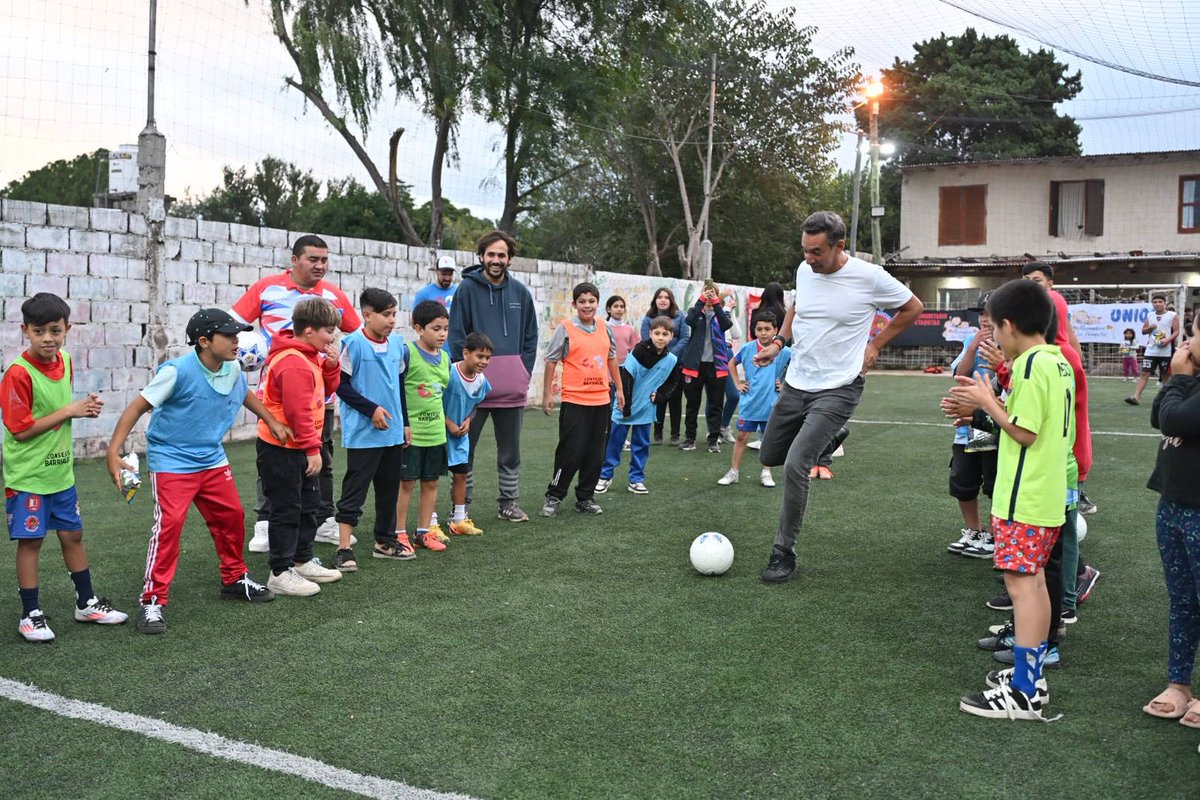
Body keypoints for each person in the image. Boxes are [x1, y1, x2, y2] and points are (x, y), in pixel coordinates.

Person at [753, 211, 922, 583]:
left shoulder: (869, 277)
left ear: (839, 246)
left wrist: (875, 345)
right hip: (798, 381)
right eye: (805, 251)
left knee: (797, 464)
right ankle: (831, 435)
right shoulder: (804, 271)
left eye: (816, 252)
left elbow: (913, 308)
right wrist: (779, 342)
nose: (809, 259)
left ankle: (784, 554)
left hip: (840, 385)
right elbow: (797, 308)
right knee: (769, 455)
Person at [106, 309, 288, 633]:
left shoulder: (231, 367)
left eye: (238, 335)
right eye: (229, 336)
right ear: (204, 341)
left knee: (231, 516)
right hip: (172, 459)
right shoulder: (176, 371)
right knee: (170, 526)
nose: (237, 341)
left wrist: (270, 419)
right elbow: (137, 407)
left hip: (211, 458)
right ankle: (152, 601)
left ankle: (234, 578)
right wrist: (112, 451)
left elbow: (243, 393)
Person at [949, 279, 1073, 721]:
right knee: (1034, 585)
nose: (994, 338)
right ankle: (1030, 681)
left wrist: (985, 399)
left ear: (1009, 324)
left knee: (1023, 588)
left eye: (994, 328)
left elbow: (1023, 431)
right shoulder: (1055, 361)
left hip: (1024, 497)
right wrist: (985, 406)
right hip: (1045, 494)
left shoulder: (1031, 365)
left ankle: (1024, 693)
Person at [2, 293, 127, 642]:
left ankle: (86, 602)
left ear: (67, 329)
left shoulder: (66, 361)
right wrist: (70, 411)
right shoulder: (17, 374)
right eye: (38, 331)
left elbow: (60, 411)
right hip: (28, 478)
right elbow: (21, 429)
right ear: (24, 330)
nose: (47, 338)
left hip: (61, 474)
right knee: (31, 542)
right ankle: (30, 614)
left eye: (55, 330)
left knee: (73, 535)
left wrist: (84, 407)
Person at [232, 234, 362, 552]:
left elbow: (357, 333)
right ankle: (265, 522)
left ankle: (321, 519)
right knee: (275, 458)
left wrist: (337, 362)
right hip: (276, 394)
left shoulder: (333, 295)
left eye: (324, 260)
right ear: (294, 260)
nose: (320, 266)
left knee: (323, 457)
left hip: (321, 395)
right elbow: (232, 325)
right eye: (313, 259)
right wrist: (251, 349)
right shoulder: (266, 288)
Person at [256, 298, 345, 596]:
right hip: (283, 449)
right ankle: (280, 572)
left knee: (309, 504)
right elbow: (298, 411)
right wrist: (311, 448)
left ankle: (302, 559)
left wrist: (332, 367)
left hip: (300, 445)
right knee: (286, 508)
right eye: (328, 330)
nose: (332, 337)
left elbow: (325, 392)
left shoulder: (310, 355)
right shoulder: (293, 361)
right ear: (309, 330)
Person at [447, 230, 538, 523]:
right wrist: (463, 377)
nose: (496, 260)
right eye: (491, 254)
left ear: (509, 258)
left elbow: (530, 337)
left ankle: (508, 503)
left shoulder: (521, 293)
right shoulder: (466, 290)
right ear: (482, 257)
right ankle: (462, 507)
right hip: (472, 389)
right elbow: (456, 335)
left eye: (502, 255)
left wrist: (522, 371)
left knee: (510, 451)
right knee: (464, 448)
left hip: (511, 389)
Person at [1142, 314, 1200, 724]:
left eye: (1195, 334)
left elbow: (1175, 419)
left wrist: (1177, 379)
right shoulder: (1191, 381)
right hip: (1174, 506)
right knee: (1183, 602)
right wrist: (1177, 380)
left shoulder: (1188, 383)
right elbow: (1158, 417)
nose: (1189, 340)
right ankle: (1179, 684)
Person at [331, 288, 410, 572]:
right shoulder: (352, 344)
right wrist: (371, 409)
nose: (392, 320)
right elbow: (340, 385)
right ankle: (343, 548)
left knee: (389, 488)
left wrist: (405, 423)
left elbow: (398, 385)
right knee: (356, 487)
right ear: (367, 315)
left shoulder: (399, 344)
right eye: (386, 314)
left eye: (394, 314)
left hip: (392, 430)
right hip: (364, 433)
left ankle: (385, 542)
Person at [540, 282, 624, 517]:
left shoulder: (605, 328)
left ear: (598, 303)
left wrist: (619, 390)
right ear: (575, 304)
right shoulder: (565, 328)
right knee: (570, 452)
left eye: (591, 301)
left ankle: (585, 497)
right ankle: (554, 496)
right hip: (575, 401)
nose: (587, 305)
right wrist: (547, 394)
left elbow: (612, 358)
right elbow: (550, 360)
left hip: (601, 401)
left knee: (596, 454)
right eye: (582, 301)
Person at [1021, 263, 1095, 515]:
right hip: (1066, 363)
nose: (1031, 284)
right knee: (1073, 424)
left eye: (1037, 280)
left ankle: (1070, 489)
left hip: (1050, 363)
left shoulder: (1046, 300)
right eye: (1027, 280)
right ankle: (1077, 488)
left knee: (1053, 427)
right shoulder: (1056, 303)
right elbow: (1069, 332)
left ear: (1050, 283)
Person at [391, 300, 452, 555]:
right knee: (406, 484)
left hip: (436, 434)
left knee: (431, 483)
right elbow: (397, 392)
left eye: (445, 329)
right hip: (412, 434)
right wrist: (404, 424)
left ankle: (423, 533)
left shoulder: (446, 358)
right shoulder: (407, 353)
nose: (442, 334)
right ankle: (399, 533)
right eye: (436, 328)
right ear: (418, 328)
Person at [596, 316, 679, 495]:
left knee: (641, 444)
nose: (660, 337)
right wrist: (625, 407)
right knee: (614, 443)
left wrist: (661, 395)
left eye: (665, 334)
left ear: (671, 336)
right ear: (650, 333)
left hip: (646, 407)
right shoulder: (638, 351)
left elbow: (673, 382)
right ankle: (605, 476)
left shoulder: (671, 359)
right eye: (657, 333)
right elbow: (626, 377)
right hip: (624, 405)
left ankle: (636, 479)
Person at [942, 302, 999, 558]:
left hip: (991, 422)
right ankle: (974, 531)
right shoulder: (970, 340)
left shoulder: (1010, 342)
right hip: (968, 425)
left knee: (994, 483)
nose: (985, 319)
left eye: (991, 314)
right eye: (983, 314)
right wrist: (974, 345)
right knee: (963, 479)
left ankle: (995, 535)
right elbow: (959, 374)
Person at [718, 310, 790, 488]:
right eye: (759, 329)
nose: (763, 332)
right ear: (755, 331)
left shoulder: (785, 351)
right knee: (742, 436)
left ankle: (766, 472)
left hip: (771, 403)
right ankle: (734, 471)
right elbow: (731, 363)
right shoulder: (748, 348)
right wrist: (737, 383)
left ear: (776, 330)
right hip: (750, 402)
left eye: (767, 329)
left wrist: (784, 384)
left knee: (768, 439)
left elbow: (797, 367)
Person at [443, 333, 494, 536]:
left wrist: (467, 420)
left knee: (461, 474)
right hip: (439, 431)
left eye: (487, 358)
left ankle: (459, 519)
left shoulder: (481, 381)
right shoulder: (449, 372)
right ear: (465, 353)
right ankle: (429, 523)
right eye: (479, 356)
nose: (483, 362)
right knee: (431, 478)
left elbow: (476, 405)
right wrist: (448, 423)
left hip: (460, 434)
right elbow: (434, 400)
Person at [678, 283, 733, 453]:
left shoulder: (721, 313)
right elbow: (689, 320)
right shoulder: (696, 312)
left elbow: (726, 325)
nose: (710, 296)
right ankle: (690, 438)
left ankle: (713, 440)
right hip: (695, 365)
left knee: (716, 404)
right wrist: (702, 299)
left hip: (717, 366)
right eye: (707, 292)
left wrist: (717, 303)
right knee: (692, 404)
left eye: (713, 293)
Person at [641, 288, 690, 445]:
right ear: (655, 300)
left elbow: (685, 337)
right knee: (658, 398)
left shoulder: (680, 316)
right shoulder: (649, 318)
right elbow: (645, 339)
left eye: (666, 297)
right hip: (656, 365)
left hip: (677, 364)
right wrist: (660, 357)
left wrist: (670, 357)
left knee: (676, 400)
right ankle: (657, 434)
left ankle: (675, 435)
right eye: (659, 297)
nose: (663, 300)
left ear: (671, 300)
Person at [1127, 294, 1180, 406]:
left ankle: (1165, 399)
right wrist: (1150, 328)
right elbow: (1143, 331)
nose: (1157, 304)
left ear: (1164, 303)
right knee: (1144, 372)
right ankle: (1136, 397)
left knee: (1165, 375)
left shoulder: (1172, 315)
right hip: (1151, 350)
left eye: (1160, 301)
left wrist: (1168, 340)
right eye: (1155, 302)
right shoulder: (1150, 315)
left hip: (1166, 351)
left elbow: (1176, 331)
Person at [718, 289, 745, 445]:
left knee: (734, 395)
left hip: (727, 352)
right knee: (714, 395)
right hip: (714, 353)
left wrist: (731, 312)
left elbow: (736, 334)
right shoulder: (713, 312)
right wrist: (726, 309)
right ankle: (713, 430)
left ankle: (723, 426)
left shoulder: (727, 312)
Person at [605, 295, 641, 366]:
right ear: (609, 309)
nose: (619, 309)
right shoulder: (604, 328)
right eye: (616, 306)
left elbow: (635, 349)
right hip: (608, 366)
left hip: (626, 367)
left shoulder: (630, 329)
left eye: (622, 307)